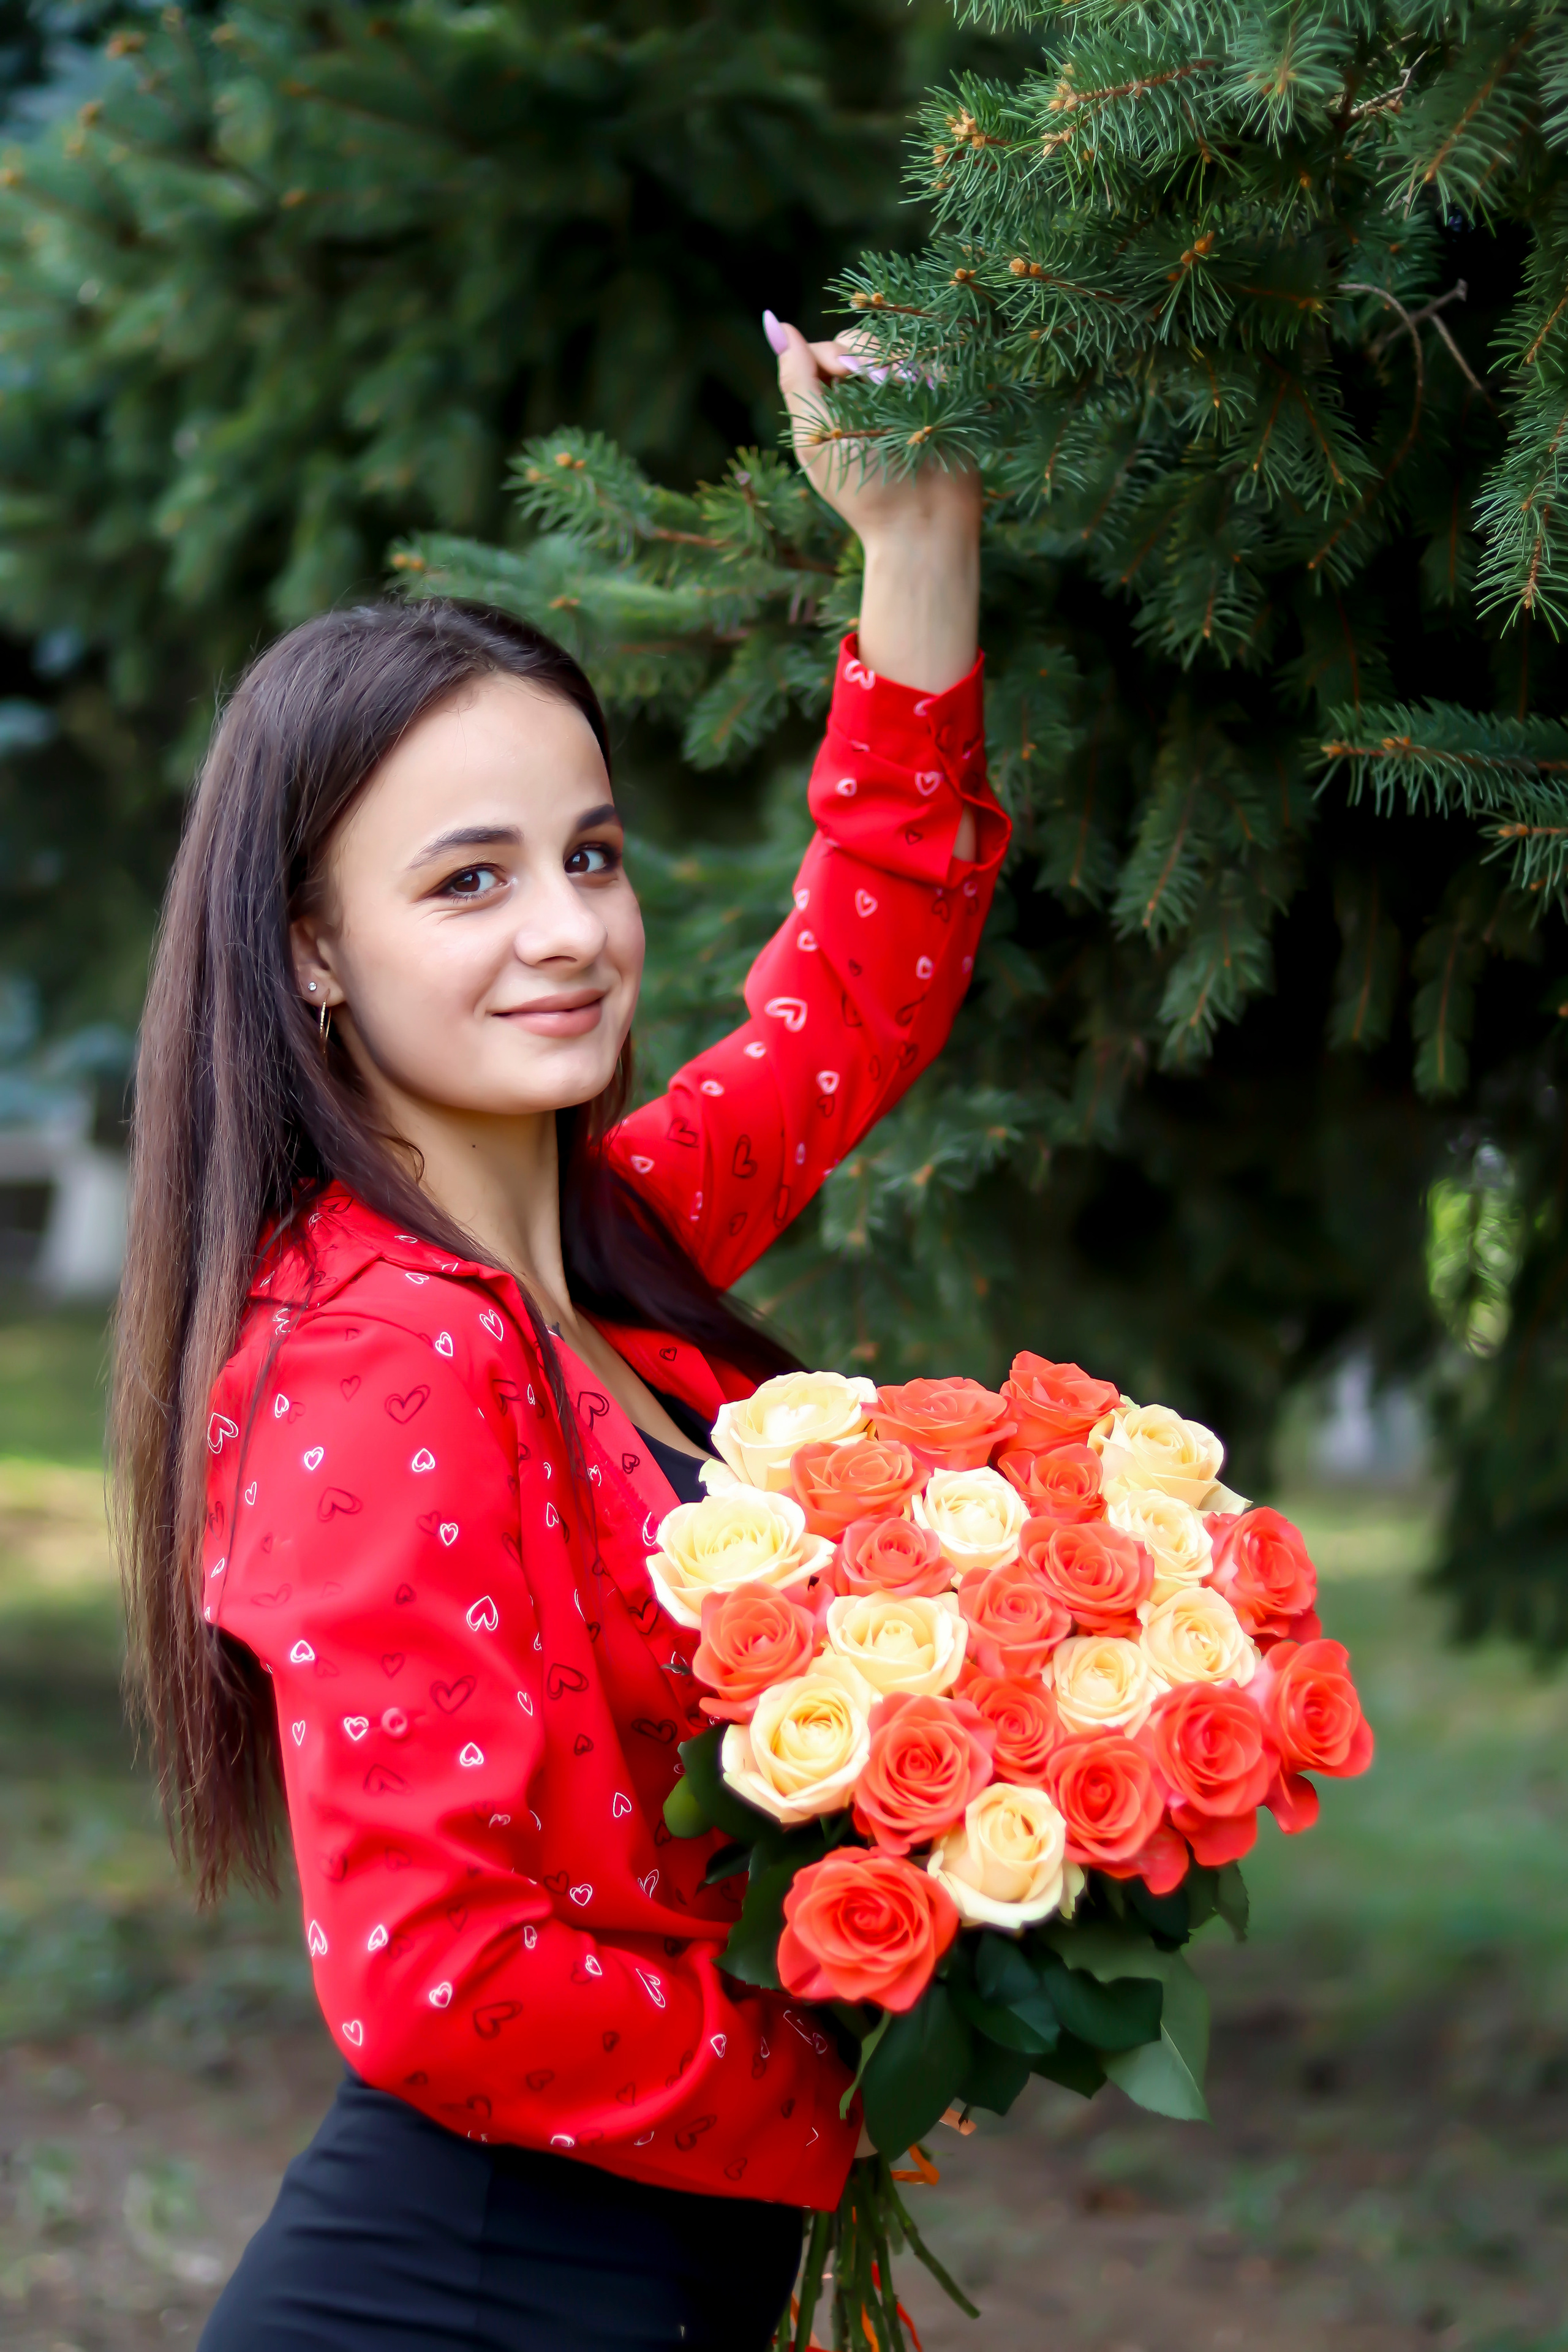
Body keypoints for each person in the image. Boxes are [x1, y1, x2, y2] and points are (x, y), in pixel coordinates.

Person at [112, 314, 1006, 2352]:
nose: (569, 931)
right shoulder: (372, 1351)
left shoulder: (602, 1251)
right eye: (469, 882)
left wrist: (916, 542)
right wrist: (835, 2066)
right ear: (314, 950)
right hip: (478, 2295)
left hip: (640, 2277)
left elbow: (861, 980)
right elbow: (440, 1980)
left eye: (589, 856)